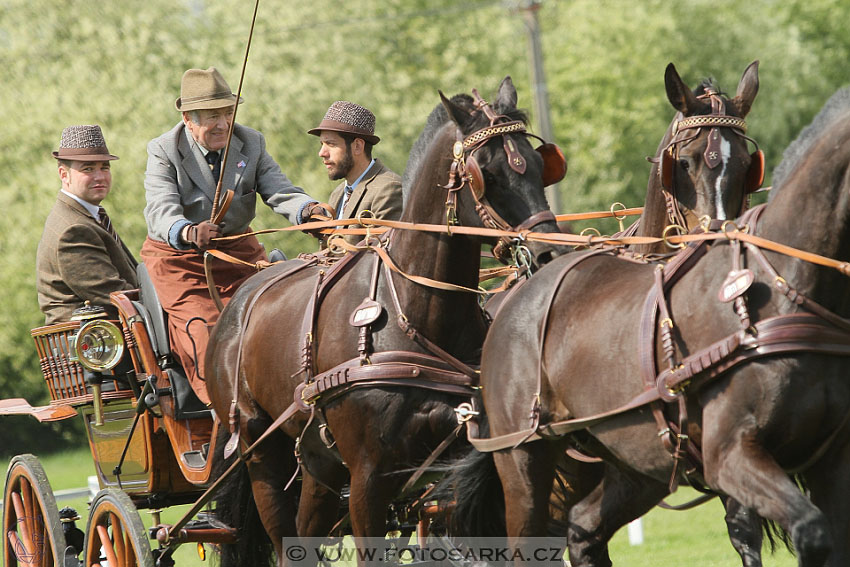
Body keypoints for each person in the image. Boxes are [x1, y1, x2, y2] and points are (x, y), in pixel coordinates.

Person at [141, 66, 331, 405]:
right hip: (182, 263)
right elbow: (160, 209)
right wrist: (185, 230)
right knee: (205, 332)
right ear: (188, 118)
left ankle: (283, 401)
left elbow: (280, 190)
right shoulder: (163, 150)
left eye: (228, 113)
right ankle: (223, 415)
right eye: (213, 116)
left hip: (240, 254)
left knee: (276, 317)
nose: (223, 124)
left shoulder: (251, 141)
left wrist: (309, 211)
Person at [37, 125, 138, 324]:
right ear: (64, 174)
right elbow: (114, 293)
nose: (100, 177)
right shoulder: (73, 230)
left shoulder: (85, 215)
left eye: (104, 168)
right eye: (88, 169)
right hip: (92, 346)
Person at [308, 101, 402, 245]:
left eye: (331, 144)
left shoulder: (389, 189)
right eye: (322, 144)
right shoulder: (338, 193)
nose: (322, 153)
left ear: (357, 146)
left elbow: (378, 259)